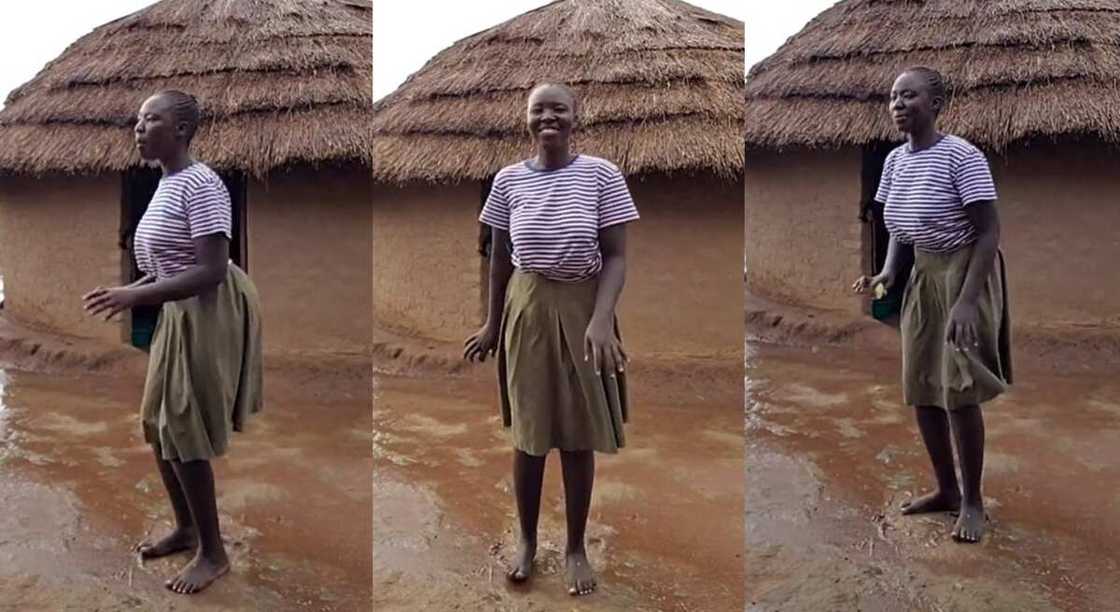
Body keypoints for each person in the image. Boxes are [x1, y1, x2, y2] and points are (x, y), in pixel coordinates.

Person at [83, 90, 263, 593]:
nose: (139, 128)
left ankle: (213, 552)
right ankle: (186, 529)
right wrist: (128, 294)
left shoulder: (201, 185)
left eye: (151, 119)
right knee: (159, 425)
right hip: (177, 312)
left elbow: (207, 272)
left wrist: (133, 292)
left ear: (181, 130)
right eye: (137, 119)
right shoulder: (165, 184)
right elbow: (168, 267)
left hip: (205, 312)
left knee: (183, 426)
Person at [463, 82, 638, 596]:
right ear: (526, 118)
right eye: (538, 109)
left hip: (586, 307)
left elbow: (617, 256)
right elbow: (498, 259)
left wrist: (603, 318)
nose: (548, 117)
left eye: (559, 108)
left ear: (575, 117)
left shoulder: (602, 174)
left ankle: (576, 547)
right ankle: (527, 541)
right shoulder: (507, 181)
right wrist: (492, 323)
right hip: (527, 309)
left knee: (578, 433)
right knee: (531, 435)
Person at [853, 67, 1012, 543]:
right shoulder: (895, 162)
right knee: (922, 383)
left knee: (959, 389)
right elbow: (899, 227)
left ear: (936, 104)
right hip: (923, 273)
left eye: (910, 95)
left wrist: (966, 302)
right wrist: (887, 272)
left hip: (965, 272)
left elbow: (989, 233)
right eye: (893, 97)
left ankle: (972, 501)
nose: (898, 104)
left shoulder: (961, 157)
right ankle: (945, 489)